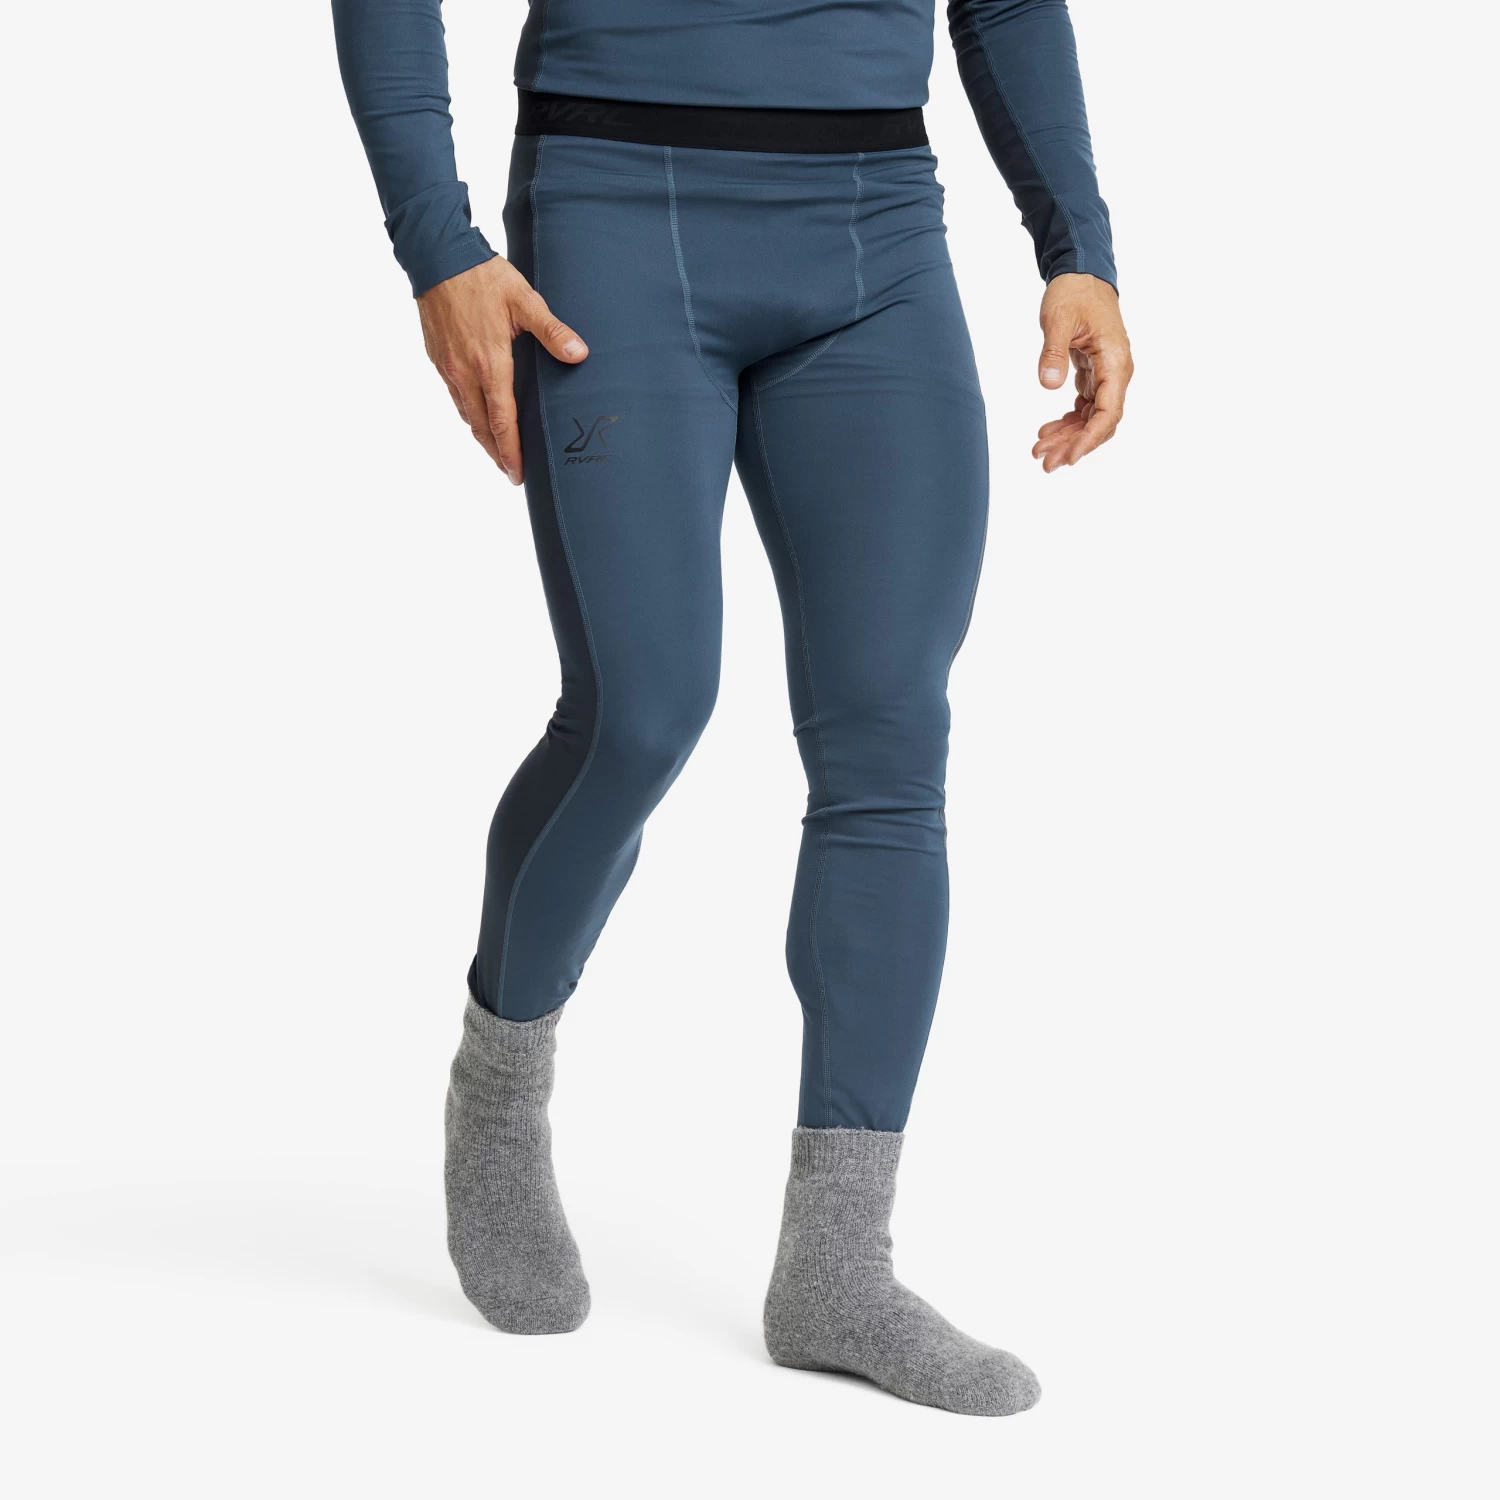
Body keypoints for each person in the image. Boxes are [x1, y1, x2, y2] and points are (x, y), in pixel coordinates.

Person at [333, 0, 1132, 1417]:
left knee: (891, 738)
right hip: (614, 202)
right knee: (641, 711)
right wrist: (435, 241)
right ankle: (500, 1087)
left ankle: (838, 1270)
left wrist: (1077, 246)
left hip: (877, 225)